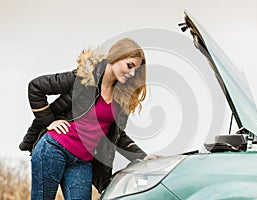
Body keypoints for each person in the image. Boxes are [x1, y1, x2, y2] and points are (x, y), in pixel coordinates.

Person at [19, 38, 158, 200]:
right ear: (116, 57)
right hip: (54, 149)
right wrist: (49, 121)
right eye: (130, 66)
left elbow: (118, 136)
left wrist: (142, 156)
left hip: (82, 161)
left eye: (136, 70)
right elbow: (36, 87)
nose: (132, 73)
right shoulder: (84, 78)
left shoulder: (121, 98)